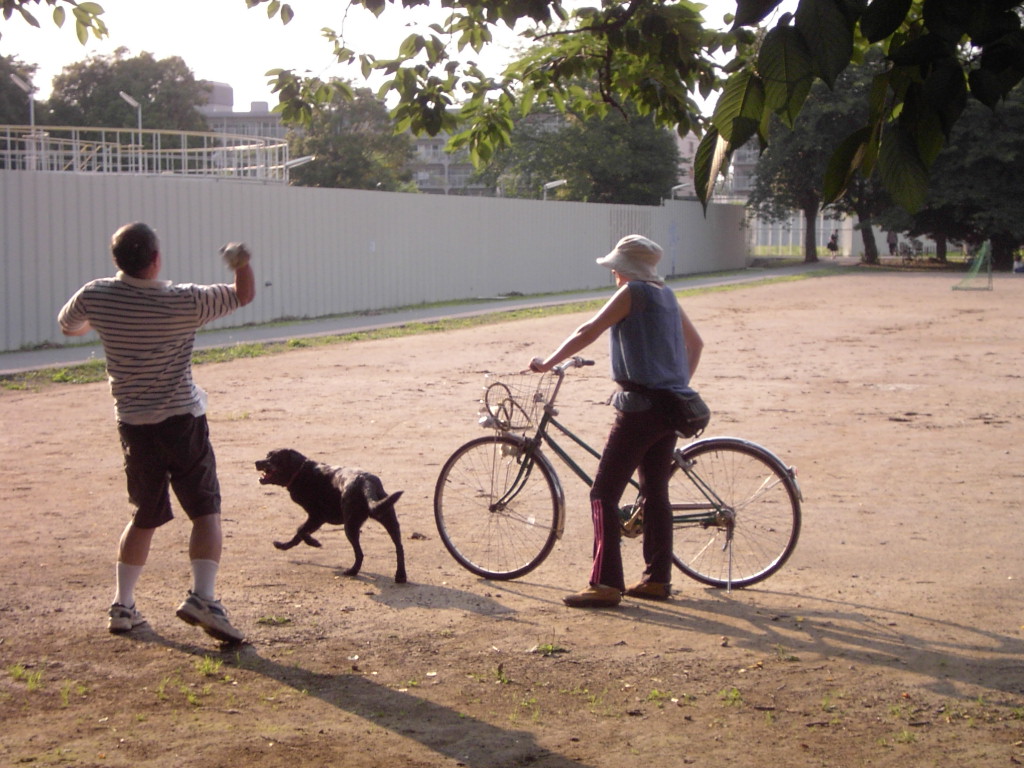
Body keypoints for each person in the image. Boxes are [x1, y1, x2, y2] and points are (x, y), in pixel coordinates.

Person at [58, 222, 256, 643]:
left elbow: (68, 325)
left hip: (133, 425)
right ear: (155, 259)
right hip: (182, 421)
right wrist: (241, 262)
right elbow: (242, 295)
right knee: (205, 511)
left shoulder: (96, 295)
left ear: (118, 261)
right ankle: (203, 597)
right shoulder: (183, 301)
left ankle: (122, 606)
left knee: (144, 515)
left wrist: (99, 324)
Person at [527, 235, 703, 607]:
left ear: (622, 269)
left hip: (639, 408)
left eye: (614, 267)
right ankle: (657, 579)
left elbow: (587, 330)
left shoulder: (632, 293)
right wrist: (675, 383)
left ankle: (606, 583)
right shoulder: (666, 295)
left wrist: (549, 361)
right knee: (655, 492)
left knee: (603, 493)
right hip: (670, 406)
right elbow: (696, 344)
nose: (612, 272)